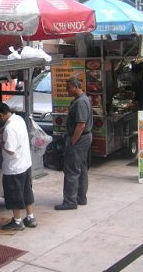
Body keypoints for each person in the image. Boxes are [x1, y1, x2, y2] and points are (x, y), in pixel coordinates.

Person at [0, 102, 37, 230]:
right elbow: (4, 128)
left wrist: (0, 141)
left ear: (1, 115)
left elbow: (10, 150)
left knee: (14, 194)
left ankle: (17, 222)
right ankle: (30, 217)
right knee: (26, 191)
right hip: (25, 163)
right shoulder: (18, 119)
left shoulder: (10, 129)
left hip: (14, 168)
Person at [55, 77, 93, 210]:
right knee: (81, 168)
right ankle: (80, 197)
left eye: (68, 88)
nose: (67, 90)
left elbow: (81, 125)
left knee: (72, 170)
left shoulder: (81, 102)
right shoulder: (82, 100)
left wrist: (72, 141)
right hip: (83, 138)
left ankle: (70, 201)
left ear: (75, 87)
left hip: (79, 139)